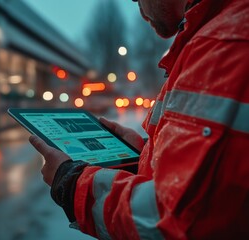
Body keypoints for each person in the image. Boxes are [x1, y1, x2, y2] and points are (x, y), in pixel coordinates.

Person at [29, 0, 249, 239]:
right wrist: (143, 157)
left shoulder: (223, 43)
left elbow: (172, 222)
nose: (141, 11)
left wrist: (70, 183)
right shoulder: (218, 34)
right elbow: (216, 175)